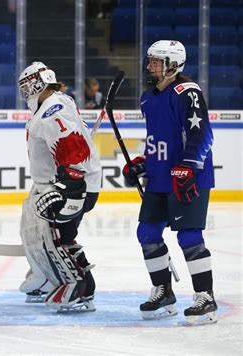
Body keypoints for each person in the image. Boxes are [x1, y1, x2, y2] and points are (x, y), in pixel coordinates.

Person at [122, 40, 217, 325]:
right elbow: (159, 140)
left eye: (156, 62)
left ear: (173, 65)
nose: (149, 66)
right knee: (147, 234)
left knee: (189, 237)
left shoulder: (187, 92)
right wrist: (143, 163)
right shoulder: (147, 98)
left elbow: (202, 136)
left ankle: (205, 297)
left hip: (189, 178)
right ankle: (163, 292)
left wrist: (188, 166)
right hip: (160, 178)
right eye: (149, 61)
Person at [17, 62, 102, 312]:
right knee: (54, 235)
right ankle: (49, 277)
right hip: (60, 182)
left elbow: (73, 150)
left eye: (27, 86)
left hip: (72, 184)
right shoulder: (54, 104)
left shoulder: (53, 109)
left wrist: (67, 187)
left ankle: (77, 286)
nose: (25, 92)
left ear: (38, 83)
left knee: (55, 237)